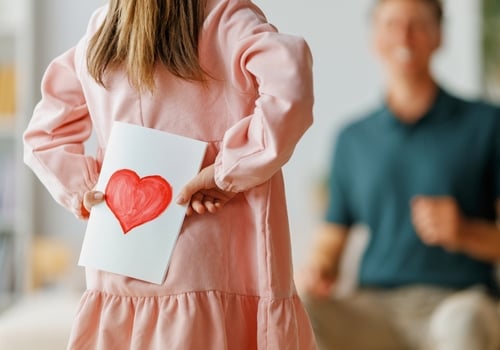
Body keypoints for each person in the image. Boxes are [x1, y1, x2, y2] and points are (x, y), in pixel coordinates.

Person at [23, 0, 316, 348]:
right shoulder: (225, 18)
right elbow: (291, 85)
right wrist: (229, 168)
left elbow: (44, 135)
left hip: (120, 251)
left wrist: (87, 188)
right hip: (218, 261)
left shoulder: (105, 27)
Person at [298, 0, 500, 349]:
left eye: (418, 24)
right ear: (375, 37)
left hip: (458, 301)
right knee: (299, 308)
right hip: (374, 309)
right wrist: (318, 268)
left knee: (465, 324)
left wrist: (464, 232)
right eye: (391, 24)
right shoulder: (352, 139)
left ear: (438, 36)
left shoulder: (486, 124)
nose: (404, 36)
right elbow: (332, 240)